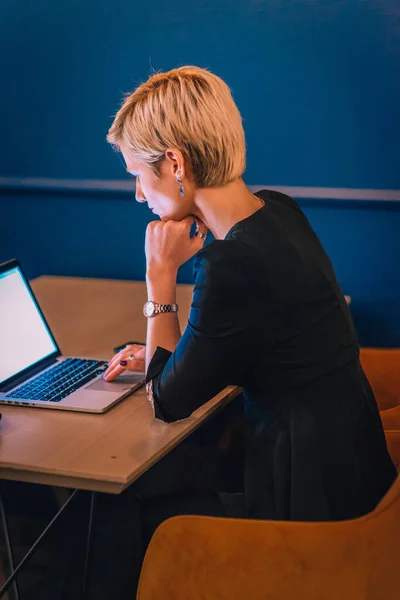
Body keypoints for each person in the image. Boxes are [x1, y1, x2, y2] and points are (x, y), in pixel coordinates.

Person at [58, 65, 395, 599]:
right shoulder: (278, 212)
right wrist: (166, 350)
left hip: (302, 509)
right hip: (351, 477)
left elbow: (166, 402)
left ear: (174, 163)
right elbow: (244, 341)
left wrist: (159, 277)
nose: (138, 195)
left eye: (137, 176)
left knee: (114, 500)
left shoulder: (230, 265)